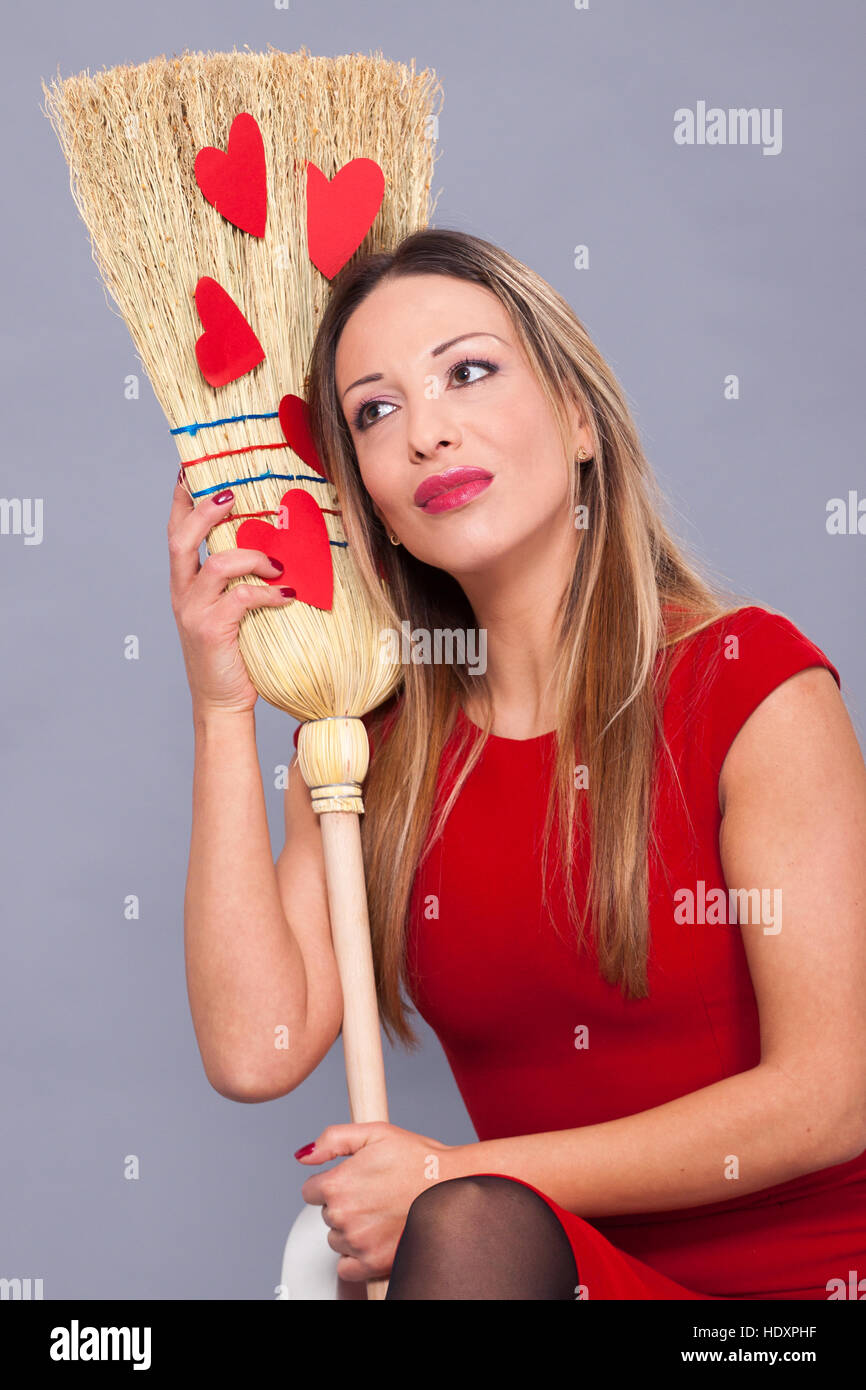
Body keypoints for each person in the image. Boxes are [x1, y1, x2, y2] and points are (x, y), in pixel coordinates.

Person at [169, 228, 866, 1300]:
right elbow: (256, 1051)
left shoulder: (749, 686)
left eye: (467, 372)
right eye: (375, 410)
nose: (427, 433)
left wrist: (454, 1173)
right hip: (542, 1273)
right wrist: (223, 712)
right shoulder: (368, 740)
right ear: (369, 501)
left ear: (578, 418)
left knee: (468, 1227)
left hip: (790, 1298)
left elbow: (833, 1097)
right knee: (470, 1237)